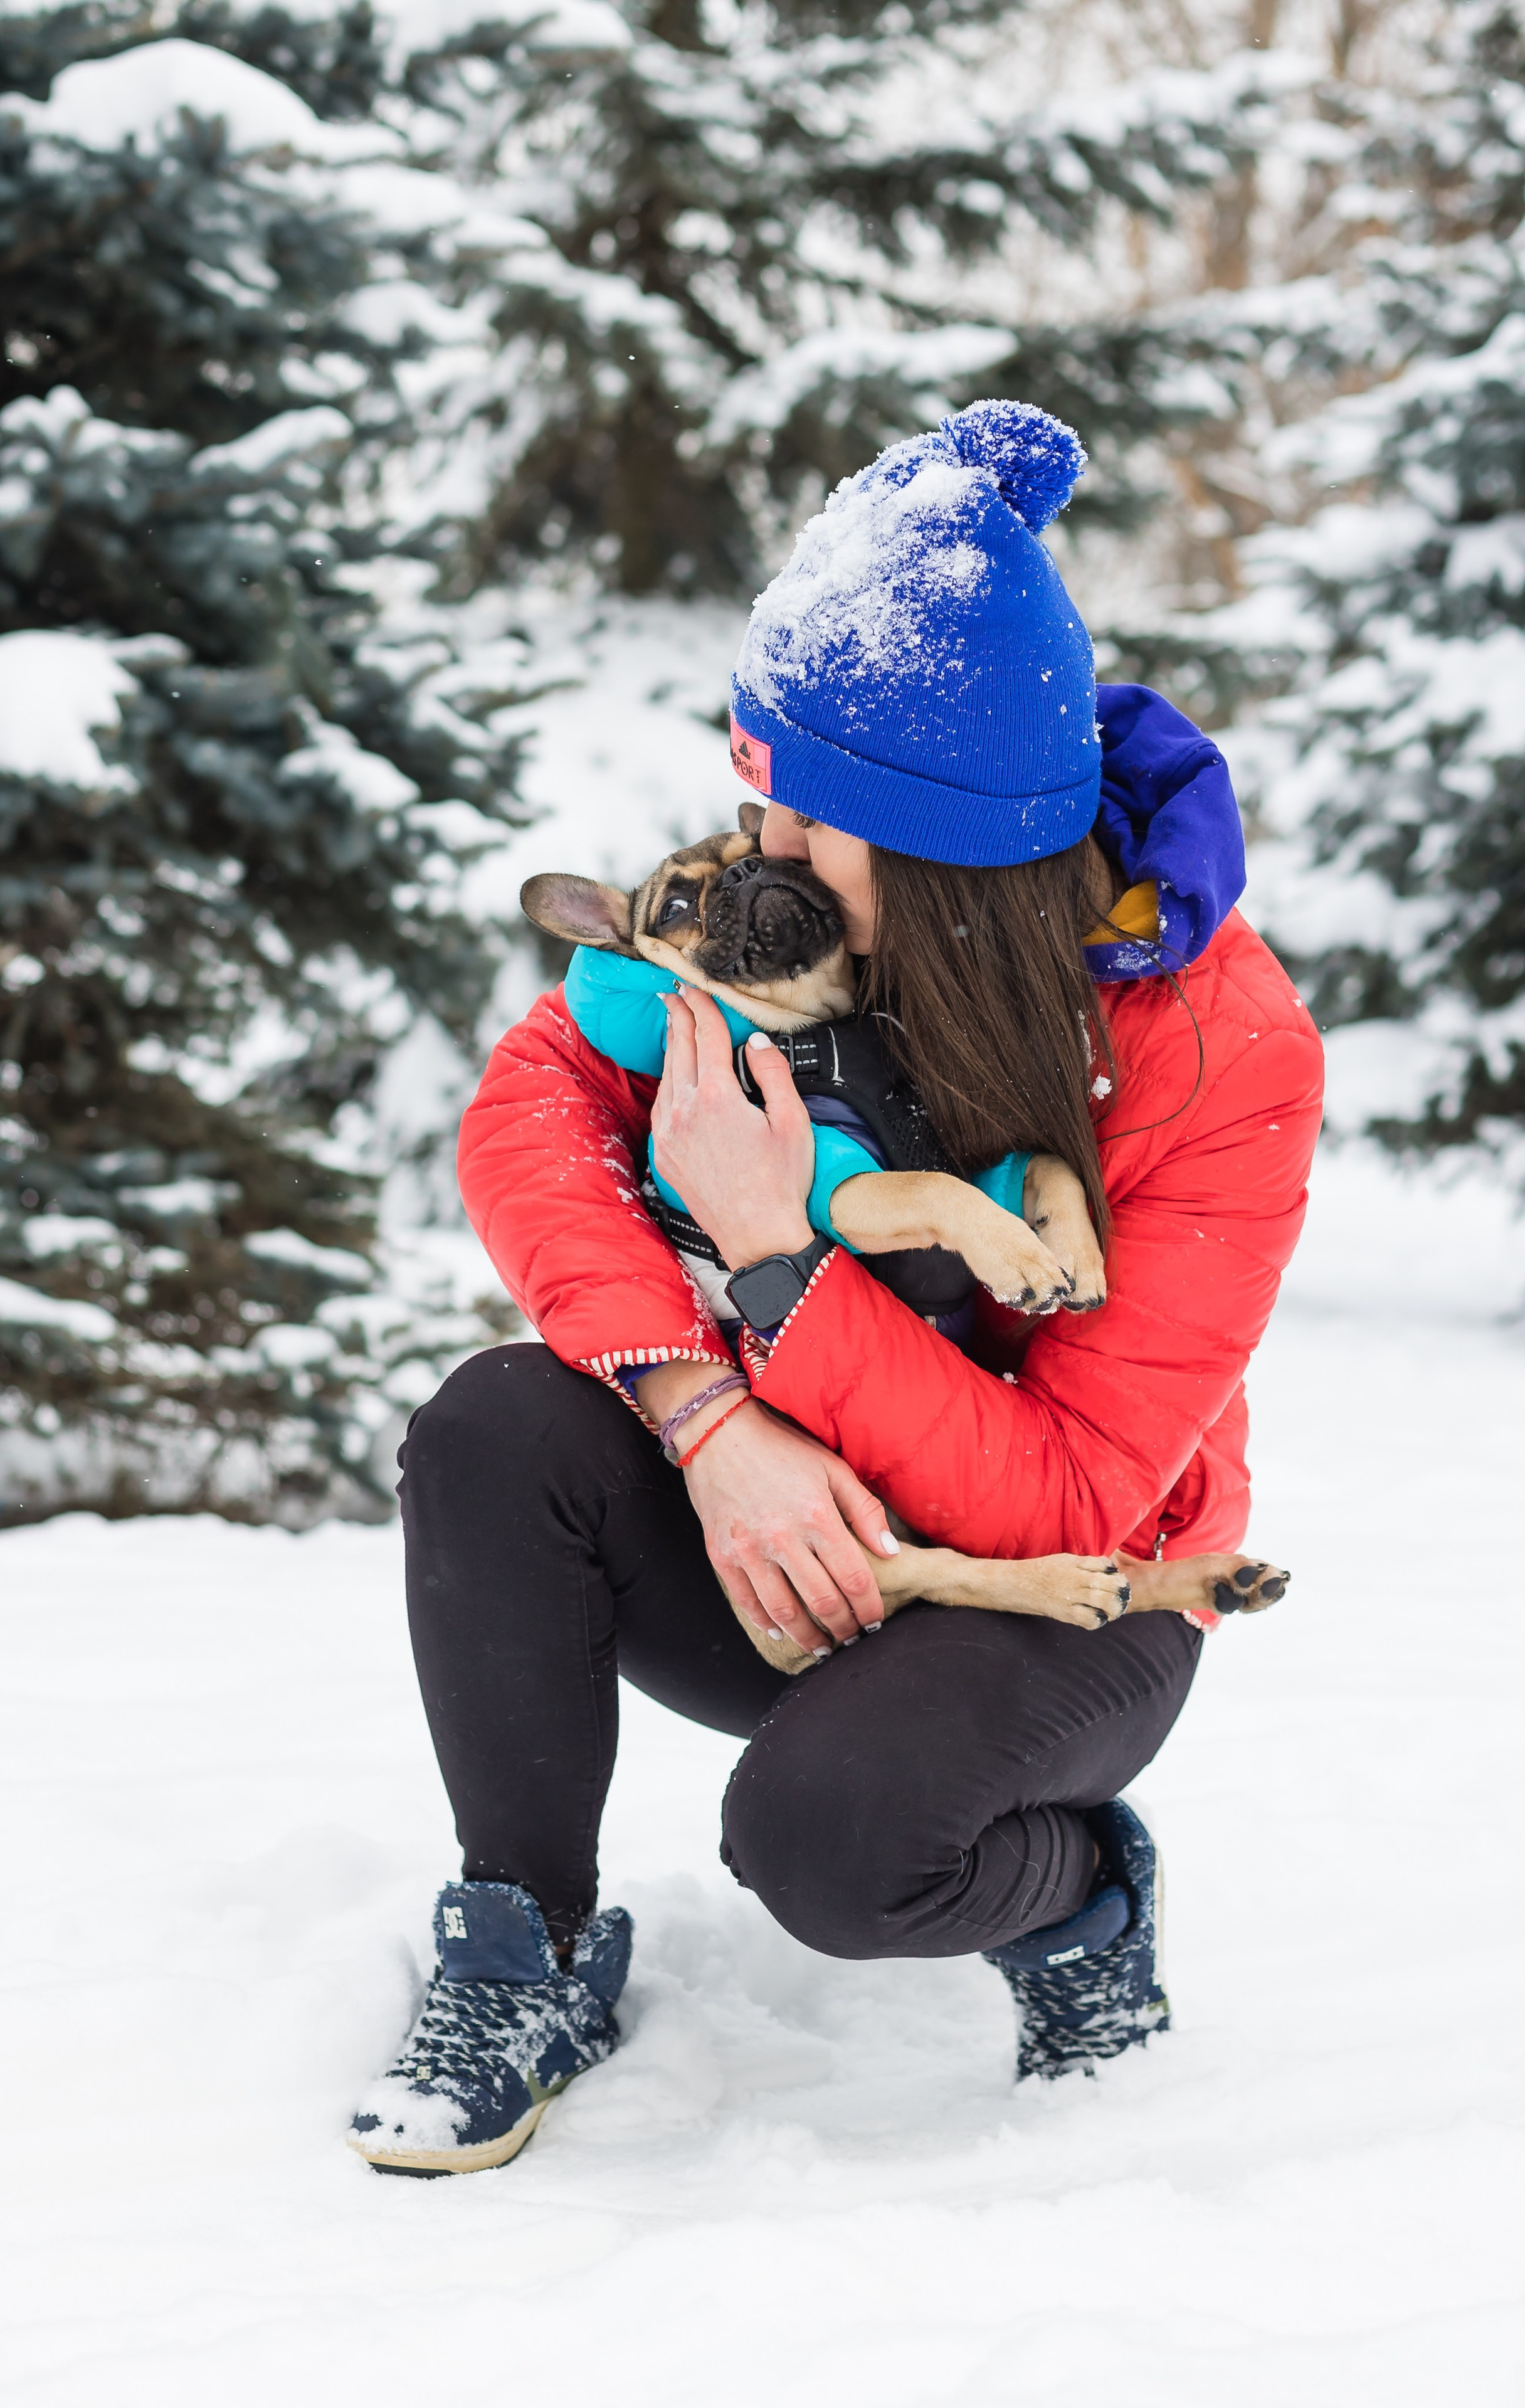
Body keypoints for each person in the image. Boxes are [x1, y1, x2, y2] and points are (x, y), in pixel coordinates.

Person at [348, 401, 1324, 2176]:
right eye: (759, 808)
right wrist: (703, 1412)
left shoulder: (1215, 1051)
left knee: (834, 1843)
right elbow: (535, 1106)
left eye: (807, 820)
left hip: (1068, 1595)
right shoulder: (801, 922)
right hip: (785, 1523)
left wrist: (785, 1274)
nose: (767, 856)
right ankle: (528, 1950)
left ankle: (1082, 1902)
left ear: (942, 855)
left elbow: (1077, 1490)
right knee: (494, 1428)